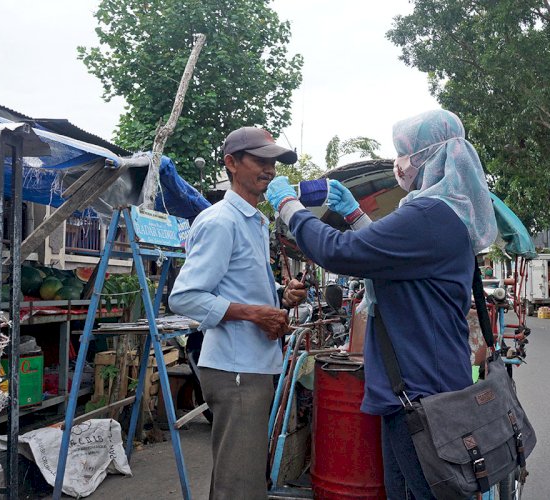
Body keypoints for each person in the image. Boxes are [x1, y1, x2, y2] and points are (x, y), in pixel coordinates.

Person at [267, 109, 498, 498]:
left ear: (429, 156)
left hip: (422, 397)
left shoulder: (428, 213)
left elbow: (342, 252)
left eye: (405, 153)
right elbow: (388, 259)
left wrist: (289, 206)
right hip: (424, 386)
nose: (399, 163)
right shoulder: (444, 212)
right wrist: (355, 213)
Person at [169, 126, 306, 500]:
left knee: (236, 475)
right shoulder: (221, 221)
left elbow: (235, 286)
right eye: (260, 160)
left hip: (249, 365)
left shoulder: (251, 221)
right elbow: (184, 297)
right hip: (235, 368)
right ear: (231, 163)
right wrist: (253, 314)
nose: (270, 169)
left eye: (273, 161)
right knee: (241, 484)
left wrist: (279, 296)